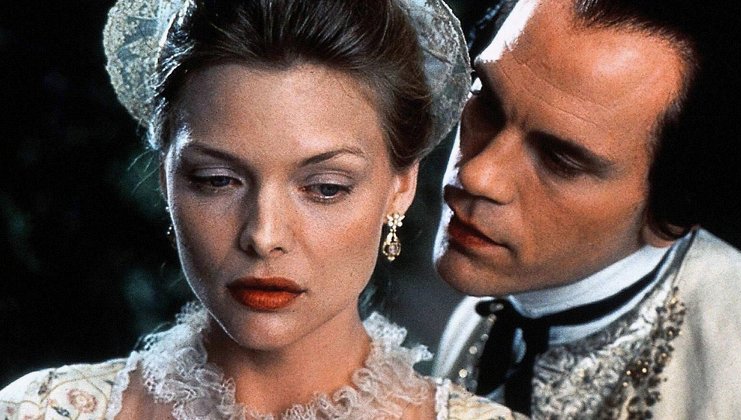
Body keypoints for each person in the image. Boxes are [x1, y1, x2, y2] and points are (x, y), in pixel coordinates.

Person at [0, 0, 525, 418]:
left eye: (325, 188)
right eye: (217, 180)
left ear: (401, 186)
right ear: (167, 180)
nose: (264, 235)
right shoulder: (37, 411)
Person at [433, 0, 741, 418]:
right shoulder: (490, 309)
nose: (478, 175)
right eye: (488, 104)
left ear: (672, 212)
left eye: (559, 160)